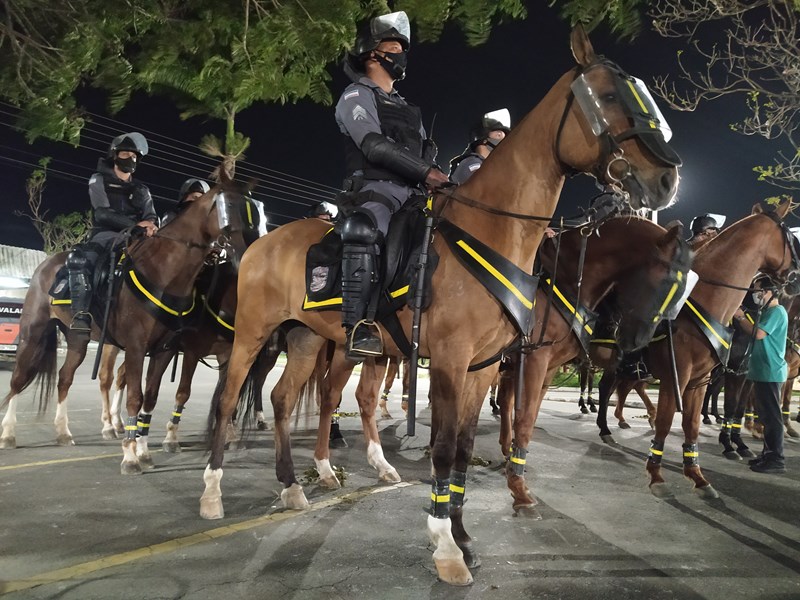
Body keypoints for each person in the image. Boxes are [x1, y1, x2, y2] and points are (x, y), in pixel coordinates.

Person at [335, 10, 448, 359]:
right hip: (376, 190)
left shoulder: (409, 110)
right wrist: (427, 173)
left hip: (414, 195)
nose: (401, 53)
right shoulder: (356, 95)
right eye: (394, 45)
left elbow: (425, 156)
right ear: (372, 52)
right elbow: (374, 145)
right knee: (370, 230)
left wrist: (438, 180)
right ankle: (359, 326)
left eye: (402, 46)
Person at [65, 132, 158, 332]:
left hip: (137, 237)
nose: (130, 159)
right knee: (81, 260)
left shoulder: (142, 189)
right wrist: (135, 225)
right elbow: (102, 213)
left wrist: (151, 225)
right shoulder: (98, 179)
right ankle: (81, 314)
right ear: (114, 156)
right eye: (125, 155)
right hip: (105, 234)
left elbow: (151, 215)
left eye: (134, 156)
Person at [733, 276, 789, 474]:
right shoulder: (767, 312)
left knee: (773, 418)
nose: (755, 296)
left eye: (757, 291)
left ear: (769, 291)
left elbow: (758, 334)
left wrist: (739, 316)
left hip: (771, 371)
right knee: (765, 416)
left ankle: (776, 459)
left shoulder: (777, 311)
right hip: (763, 371)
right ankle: (768, 454)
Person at [449, 109, 511, 184]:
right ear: (484, 139)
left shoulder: (489, 166)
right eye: (499, 135)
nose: (503, 142)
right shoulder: (473, 164)